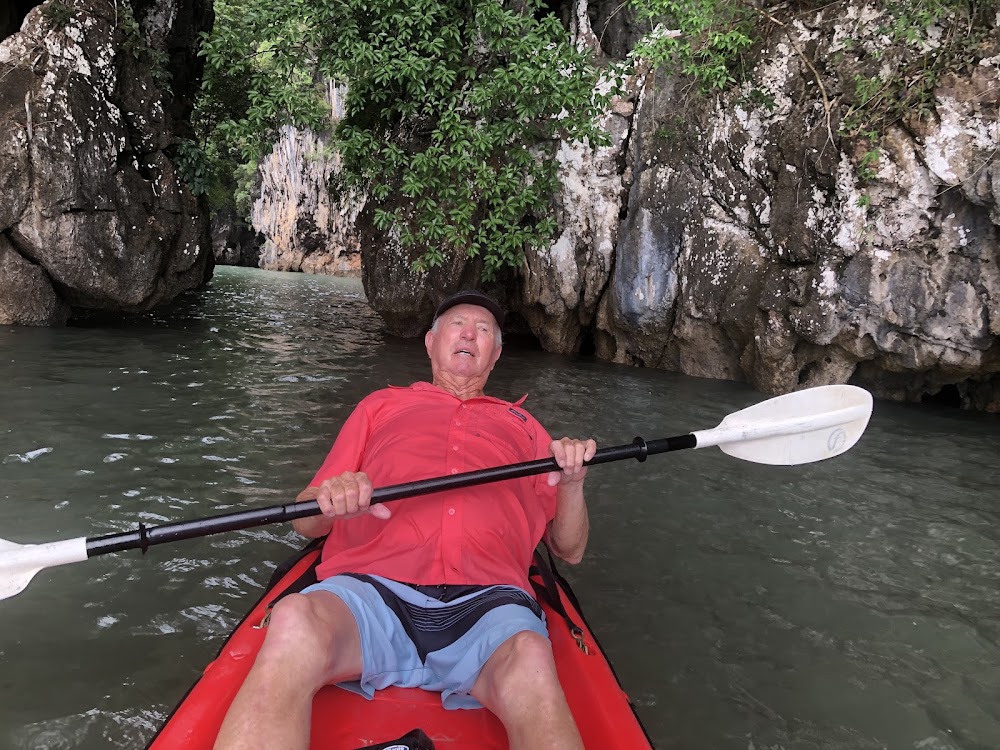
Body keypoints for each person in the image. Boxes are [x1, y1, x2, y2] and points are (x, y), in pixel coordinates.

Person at [214, 290, 597, 750]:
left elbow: (569, 550)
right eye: (457, 324)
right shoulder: (380, 406)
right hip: (370, 592)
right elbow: (306, 520)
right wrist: (331, 497)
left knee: (533, 656)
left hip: (489, 606)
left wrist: (573, 482)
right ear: (431, 343)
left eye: (484, 331)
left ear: (494, 355)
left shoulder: (527, 427)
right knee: (295, 619)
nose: (470, 334)